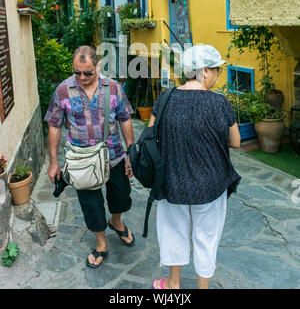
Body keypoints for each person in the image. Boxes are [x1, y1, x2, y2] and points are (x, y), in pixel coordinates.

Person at [149, 44, 241, 290]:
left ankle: (173, 283)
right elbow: (236, 142)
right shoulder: (219, 104)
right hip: (211, 185)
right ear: (205, 72)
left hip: (172, 181)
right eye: (217, 70)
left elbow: (149, 135)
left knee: (172, 232)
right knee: (207, 238)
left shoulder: (165, 99)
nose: (218, 76)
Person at [45, 45, 135, 268]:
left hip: (114, 155)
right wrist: (54, 162)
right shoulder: (63, 91)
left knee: (121, 196)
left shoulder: (113, 88)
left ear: (97, 66)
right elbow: (55, 126)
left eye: (87, 72)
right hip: (82, 161)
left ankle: (116, 222)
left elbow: (125, 118)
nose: (82, 77)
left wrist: (131, 153)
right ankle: (101, 243)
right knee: (91, 204)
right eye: (77, 72)